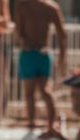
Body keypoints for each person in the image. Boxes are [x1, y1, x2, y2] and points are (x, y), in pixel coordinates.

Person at [12, 0, 67, 130]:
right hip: (42, 53)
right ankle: (50, 123)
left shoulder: (23, 5)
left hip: (29, 52)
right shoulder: (50, 7)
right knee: (45, 91)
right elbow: (62, 34)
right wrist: (62, 56)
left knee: (32, 91)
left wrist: (23, 40)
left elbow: (18, 31)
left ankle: (35, 121)